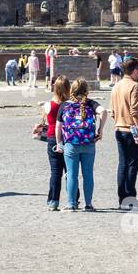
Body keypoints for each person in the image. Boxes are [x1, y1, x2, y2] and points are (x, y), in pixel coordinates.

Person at [57, 77, 105, 211]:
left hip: (71, 144)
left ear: (72, 90)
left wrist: (59, 142)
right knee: (88, 174)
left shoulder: (65, 105)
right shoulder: (90, 103)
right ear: (86, 90)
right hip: (88, 143)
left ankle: (71, 204)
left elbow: (58, 126)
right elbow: (103, 111)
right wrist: (100, 130)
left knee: (71, 174)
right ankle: (88, 204)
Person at [109, 57, 138, 210]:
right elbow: (135, 111)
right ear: (135, 70)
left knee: (122, 164)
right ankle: (130, 198)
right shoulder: (134, 86)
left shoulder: (116, 86)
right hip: (132, 131)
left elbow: (112, 111)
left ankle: (122, 198)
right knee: (132, 165)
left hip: (119, 128)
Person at [41, 76, 71, 211]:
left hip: (52, 138)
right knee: (70, 172)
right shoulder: (70, 105)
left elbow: (47, 123)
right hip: (69, 139)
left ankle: (53, 201)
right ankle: (73, 200)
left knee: (55, 172)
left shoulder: (48, 105)